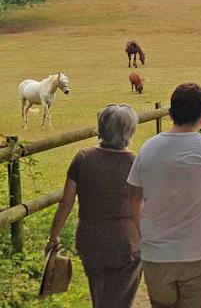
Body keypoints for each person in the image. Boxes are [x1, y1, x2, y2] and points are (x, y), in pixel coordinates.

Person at [128, 83, 201, 307]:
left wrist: (145, 235)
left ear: (170, 113)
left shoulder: (148, 149)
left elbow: (134, 199)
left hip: (157, 257)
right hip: (200, 254)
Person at [46, 105, 141, 308]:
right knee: (119, 302)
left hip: (90, 240)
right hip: (126, 243)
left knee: (99, 297)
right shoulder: (135, 163)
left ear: (101, 127)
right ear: (130, 131)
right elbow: (143, 205)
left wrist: (53, 236)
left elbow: (66, 203)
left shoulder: (83, 158)